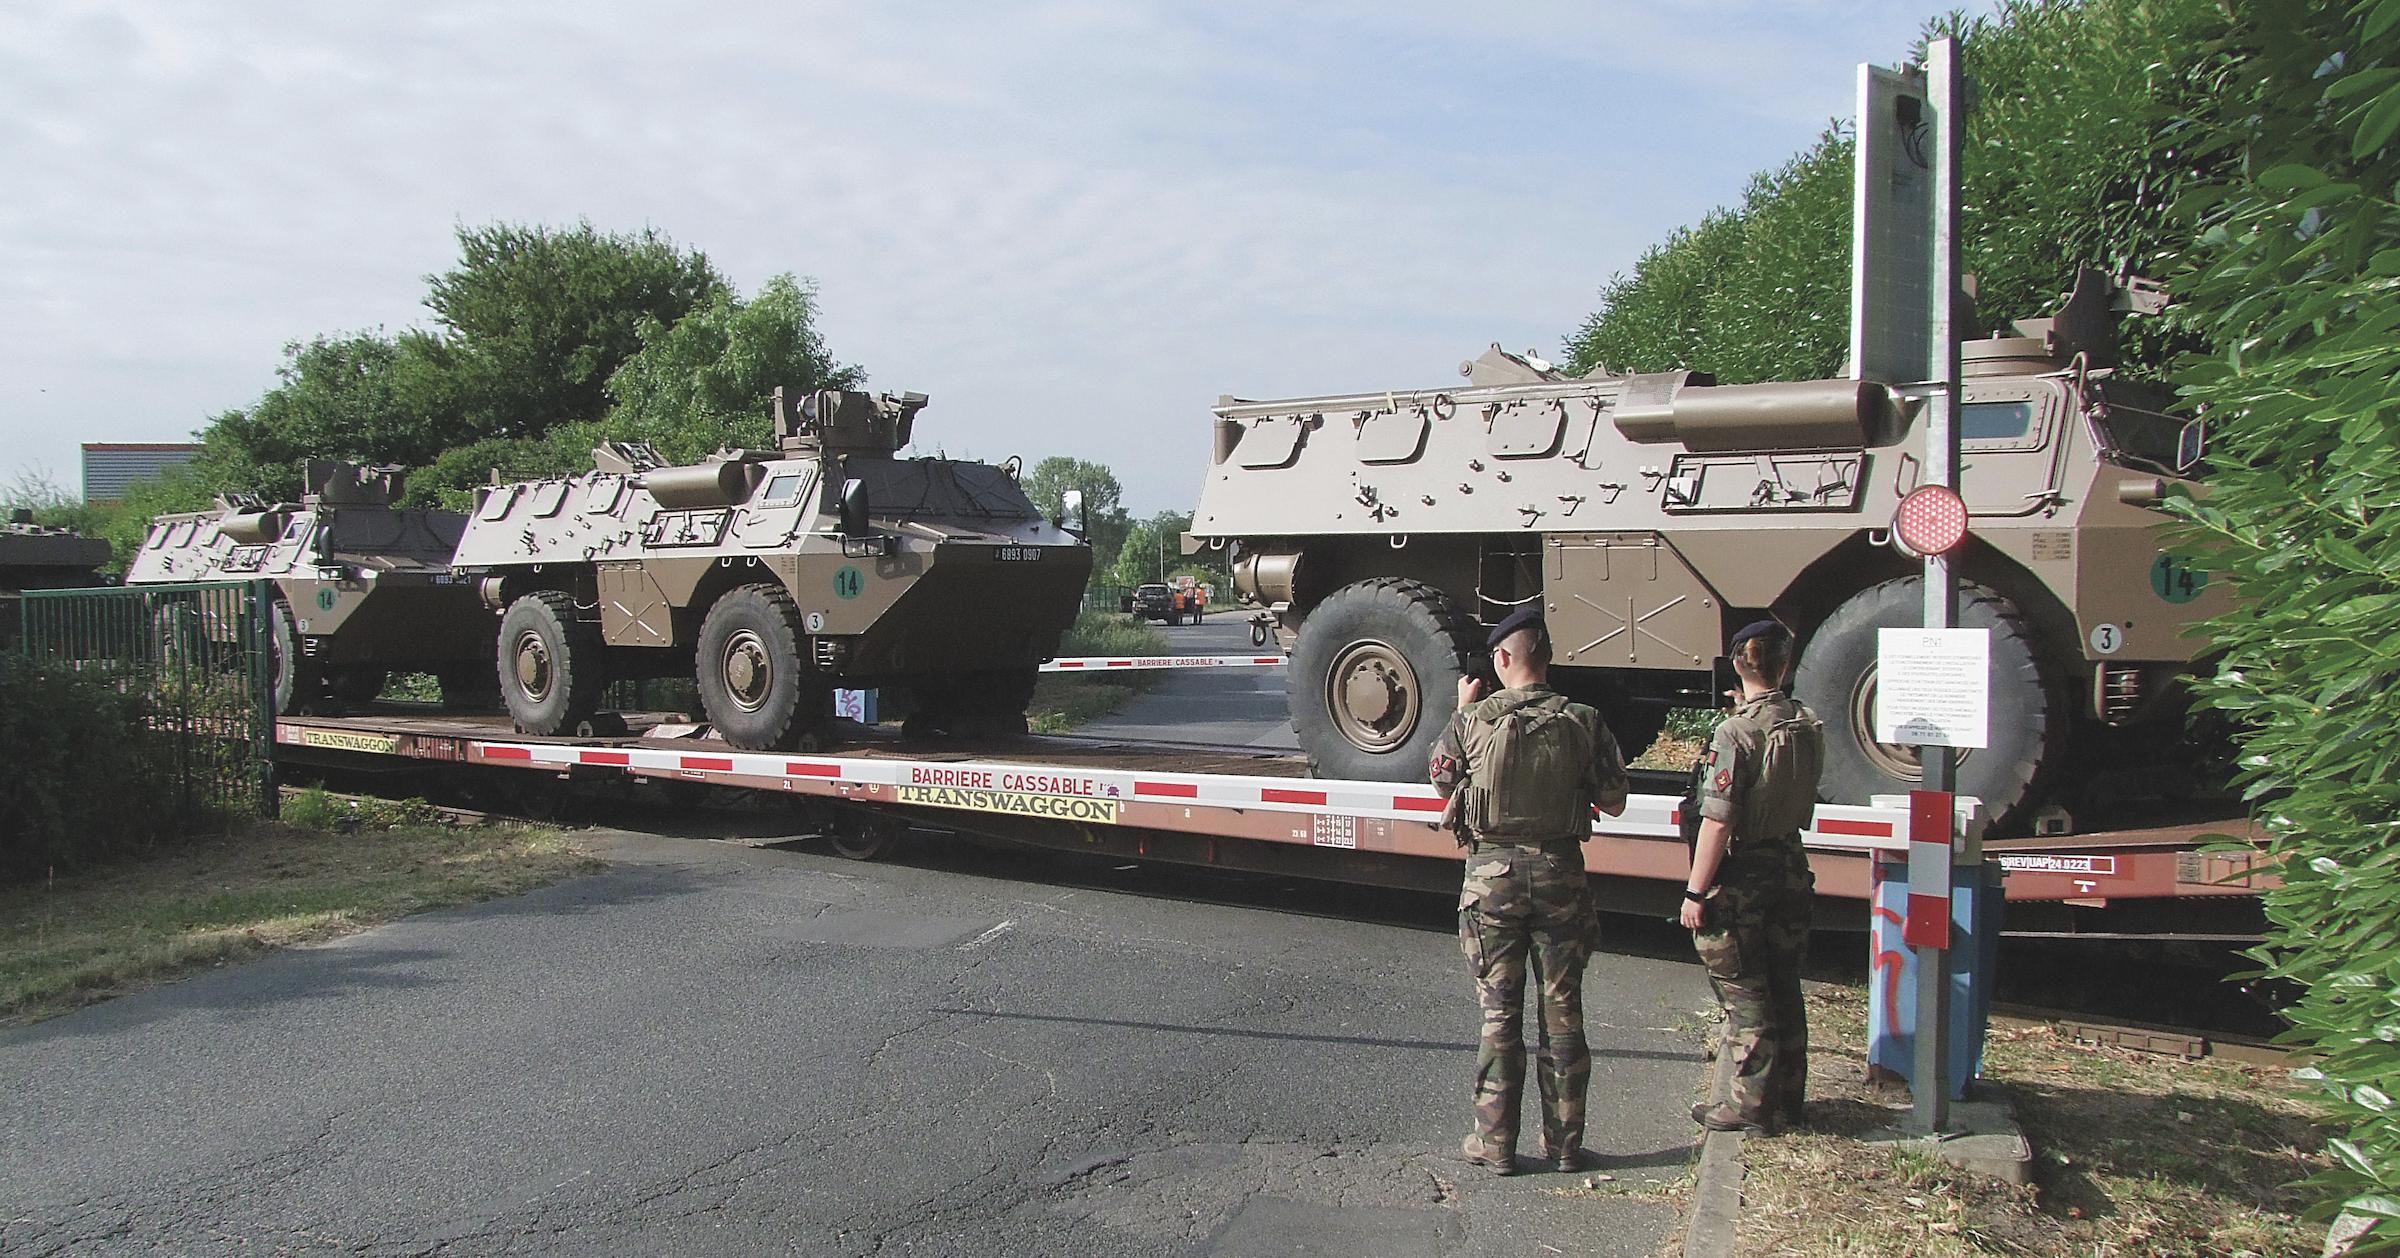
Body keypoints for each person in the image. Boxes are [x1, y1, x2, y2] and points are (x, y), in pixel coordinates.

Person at [1430, 606, 1628, 1175]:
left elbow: (1441, 777)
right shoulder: (1584, 721)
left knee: (1499, 1016)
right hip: (1562, 880)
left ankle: (1495, 1146)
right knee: (1563, 1014)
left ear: (1501, 659)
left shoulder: (1473, 721)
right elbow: (1614, 800)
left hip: (1491, 884)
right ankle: (1565, 1146)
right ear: (1545, 659)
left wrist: (1463, 710)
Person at [1681, 619, 1824, 1133]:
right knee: (1786, 984)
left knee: (1744, 992)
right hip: (1790, 860)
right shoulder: (1805, 721)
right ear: (1785, 665)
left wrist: (1696, 890)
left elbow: (1719, 818)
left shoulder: (1735, 732)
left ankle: (1749, 1104)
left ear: (1738, 666)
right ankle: (1788, 1097)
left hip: (1743, 872)